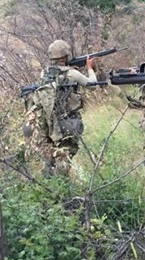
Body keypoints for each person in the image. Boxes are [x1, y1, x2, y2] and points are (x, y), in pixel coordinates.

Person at [27, 39, 97, 176]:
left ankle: (49, 183)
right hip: (66, 122)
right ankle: (61, 187)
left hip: (48, 122)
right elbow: (93, 85)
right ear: (64, 57)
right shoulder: (71, 74)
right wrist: (90, 68)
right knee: (65, 154)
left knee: (50, 154)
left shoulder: (44, 73)